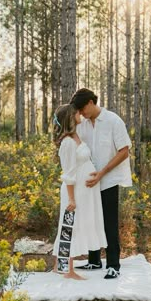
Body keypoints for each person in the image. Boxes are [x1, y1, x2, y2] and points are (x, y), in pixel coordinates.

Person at [70, 88, 132, 279]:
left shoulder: (113, 121)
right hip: (88, 182)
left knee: (109, 222)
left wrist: (102, 173)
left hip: (108, 180)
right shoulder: (83, 125)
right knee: (91, 219)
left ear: (90, 102)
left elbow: (124, 151)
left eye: (82, 109)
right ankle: (94, 260)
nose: (81, 114)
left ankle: (113, 264)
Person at [52, 104, 107, 280]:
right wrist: (71, 199)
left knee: (72, 226)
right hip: (74, 191)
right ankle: (67, 270)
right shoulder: (67, 143)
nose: (80, 114)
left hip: (84, 190)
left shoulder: (76, 135)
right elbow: (68, 174)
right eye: (76, 112)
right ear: (70, 117)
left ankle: (58, 266)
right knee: (70, 226)